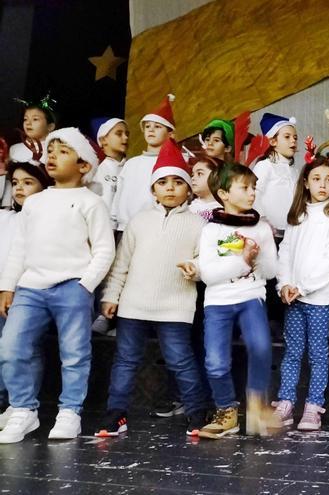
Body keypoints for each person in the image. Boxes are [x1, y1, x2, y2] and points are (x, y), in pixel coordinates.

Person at [0, 128, 114, 443]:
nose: (52, 156)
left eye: (62, 152)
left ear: (83, 165)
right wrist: (8, 286)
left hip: (71, 286)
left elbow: (104, 249)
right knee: (11, 347)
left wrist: (85, 285)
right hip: (31, 287)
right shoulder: (35, 202)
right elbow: (20, 247)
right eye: (50, 151)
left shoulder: (91, 202)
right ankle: (23, 409)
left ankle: (70, 412)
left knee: (75, 352)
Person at [96, 139, 212, 437]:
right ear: (152, 189)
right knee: (125, 360)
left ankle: (197, 412)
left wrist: (196, 269)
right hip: (133, 305)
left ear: (189, 188)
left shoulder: (198, 224)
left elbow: (204, 260)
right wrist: (112, 296)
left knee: (180, 360)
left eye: (177, 182)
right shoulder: (139, 221)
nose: (170, 188)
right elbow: (121, 263)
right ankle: (116, 414)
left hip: (175, 306)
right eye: (163, 182)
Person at [197, 163, 278, 439]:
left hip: (251, 296)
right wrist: (242, 261)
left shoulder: (262, 228)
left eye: (254, 187)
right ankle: (226, 411)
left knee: (261, 347)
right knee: (216, 363)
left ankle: (256, 406)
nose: (252, 193)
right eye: (244, 188)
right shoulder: (211, 230)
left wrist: (259, 257)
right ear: (224, 194)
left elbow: (270, 272)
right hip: (218, 301)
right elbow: (208, 275)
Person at [273, 148, 329, 431]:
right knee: (292, 352)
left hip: (319, 299)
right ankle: (286, 403)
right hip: (293, 297)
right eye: (317, 179)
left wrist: (303, 287)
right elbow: (285, 253)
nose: (322, 185)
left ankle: (314, 407)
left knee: (317, 354)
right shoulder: (298, 216)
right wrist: (285, 284)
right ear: (306, 182)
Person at [0, 161, 52, 429]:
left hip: (31, 291)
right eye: (16, 182)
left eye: (28, 182)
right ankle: (10, 402)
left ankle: (23, 404)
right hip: (4, 291)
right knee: (5, 348)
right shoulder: (5, 217)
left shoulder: (46, 218)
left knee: (25, 348)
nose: (19, 188)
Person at [112, 94, 176, 232]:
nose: (151, 130)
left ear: (170, 134)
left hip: (156, 228)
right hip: (124, 228)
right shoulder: (131, 164)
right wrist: (113, 223)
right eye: (147, 126)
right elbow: (119, 195)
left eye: (158, 126)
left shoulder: (171, 165)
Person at [252, 113, 299, 239]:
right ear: (273, 141)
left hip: (291, 231)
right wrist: (262, 219)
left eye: (295, 137)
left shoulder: (295, 170)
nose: (293, 140)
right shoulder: (265, 166)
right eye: (287, 137)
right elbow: (254, 193)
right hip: (270, 232)